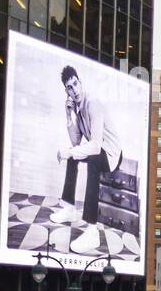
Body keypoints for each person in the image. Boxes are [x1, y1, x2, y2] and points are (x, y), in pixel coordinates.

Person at [50, 63, 126, 255]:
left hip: (111, 154)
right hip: (99, 150)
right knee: (74, 154)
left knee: (90, 160)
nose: (74, 90)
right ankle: (68, 208)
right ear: (66, 91)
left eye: (75, 84)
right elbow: (76, 141)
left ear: (80, 82)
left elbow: (95, 146)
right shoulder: (76, 108)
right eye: (69, 87)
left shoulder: (93, 103)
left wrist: (70, 151)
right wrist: (68, 115)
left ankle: (92, 231)